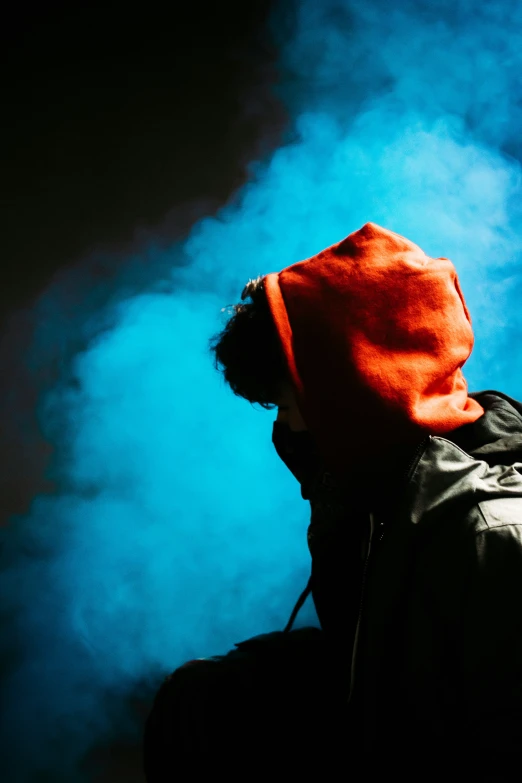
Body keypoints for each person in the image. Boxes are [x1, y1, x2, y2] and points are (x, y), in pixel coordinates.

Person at [143, 222, 522, 780]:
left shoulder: (495, 537)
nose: (286, 423)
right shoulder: (373, 501)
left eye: (290, 399)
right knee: (207, 703)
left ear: (361, 384)